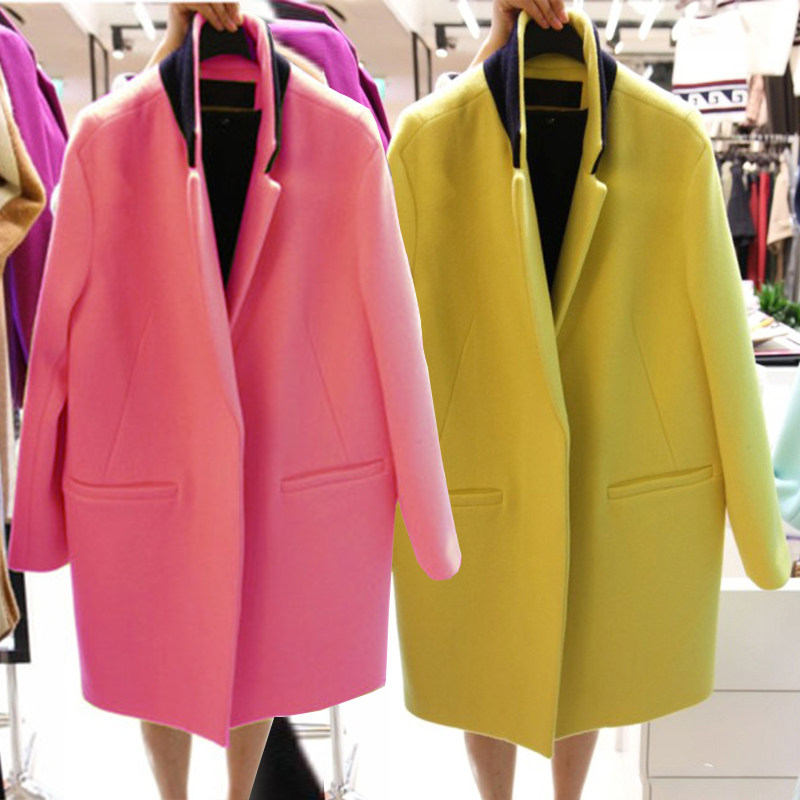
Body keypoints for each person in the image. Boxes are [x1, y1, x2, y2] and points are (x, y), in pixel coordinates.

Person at [141, 2, 586, 800]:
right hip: (167, 404)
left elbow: (393, 278)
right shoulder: (139, 121)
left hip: (293, 402)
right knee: (165, 624)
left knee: (263, 624)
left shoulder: (331, 112)